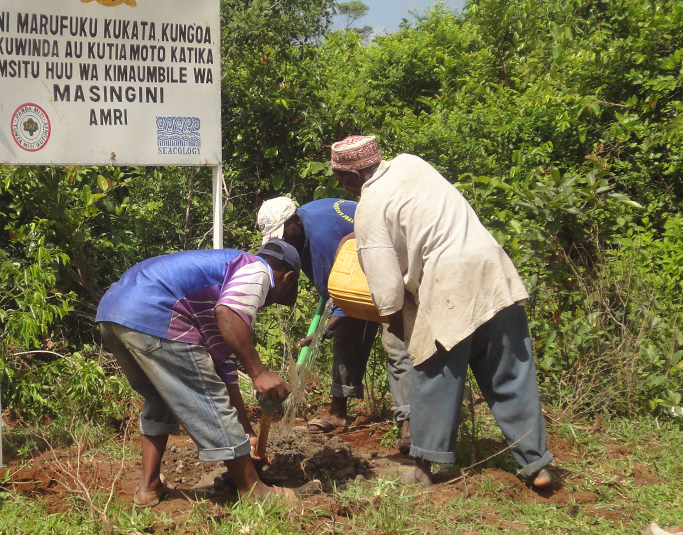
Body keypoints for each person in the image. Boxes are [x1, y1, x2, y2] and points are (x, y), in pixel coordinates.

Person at [328, 135, 553, 488]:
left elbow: (387, 290)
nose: (345, 188)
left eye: (343, 181)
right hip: (492, 268)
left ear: (352, 178)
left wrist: (400, 328)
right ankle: (537, 465)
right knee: (511, 373)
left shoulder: (369, 206)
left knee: (433, 375)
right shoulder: (412, 163)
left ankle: (425, 468)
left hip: (446, 282)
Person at [95, 240, 318, 506]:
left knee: (159, 399)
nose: (269, 304)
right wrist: (259, 372)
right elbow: (228, 315)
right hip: (156, 313)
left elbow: (226, 373)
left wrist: (247, 434)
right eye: (279, 298)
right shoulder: (257, 270)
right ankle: (254, 491)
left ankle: (148, 486)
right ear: (288, 277)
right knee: (209, 398)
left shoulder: (222, 279)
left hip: (113, 314)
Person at [257, 197, 411, 443]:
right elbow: (334, 292)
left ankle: (410, 425)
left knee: (397, 345)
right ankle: (338, 413)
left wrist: (322, 332)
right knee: (346, 336)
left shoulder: (321, 239)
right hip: (359, 270)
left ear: (294, 220)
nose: (282, 242)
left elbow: (339, 295)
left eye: (283, 234)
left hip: (394, 267)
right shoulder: (302, 228)